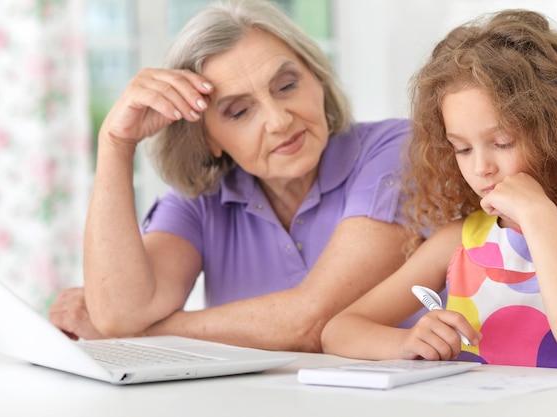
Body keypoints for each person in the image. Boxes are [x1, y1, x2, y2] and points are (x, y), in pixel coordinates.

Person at [48, 0, 428, 353]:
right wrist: (115, 143)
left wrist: (140, 336)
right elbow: (121, 312)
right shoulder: (202, 198)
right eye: (239, 111)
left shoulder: (395, 149)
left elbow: (311, 321)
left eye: (287, 85)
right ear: (208, 138)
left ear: (318, 78)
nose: (279, 121)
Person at [321, 9, 557, 372]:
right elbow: (339, 330)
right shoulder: (461, 242)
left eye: (502, 142)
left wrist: (538, 217)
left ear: (556, 135)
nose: (481, 168)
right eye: (462, 149)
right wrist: (404, 341)